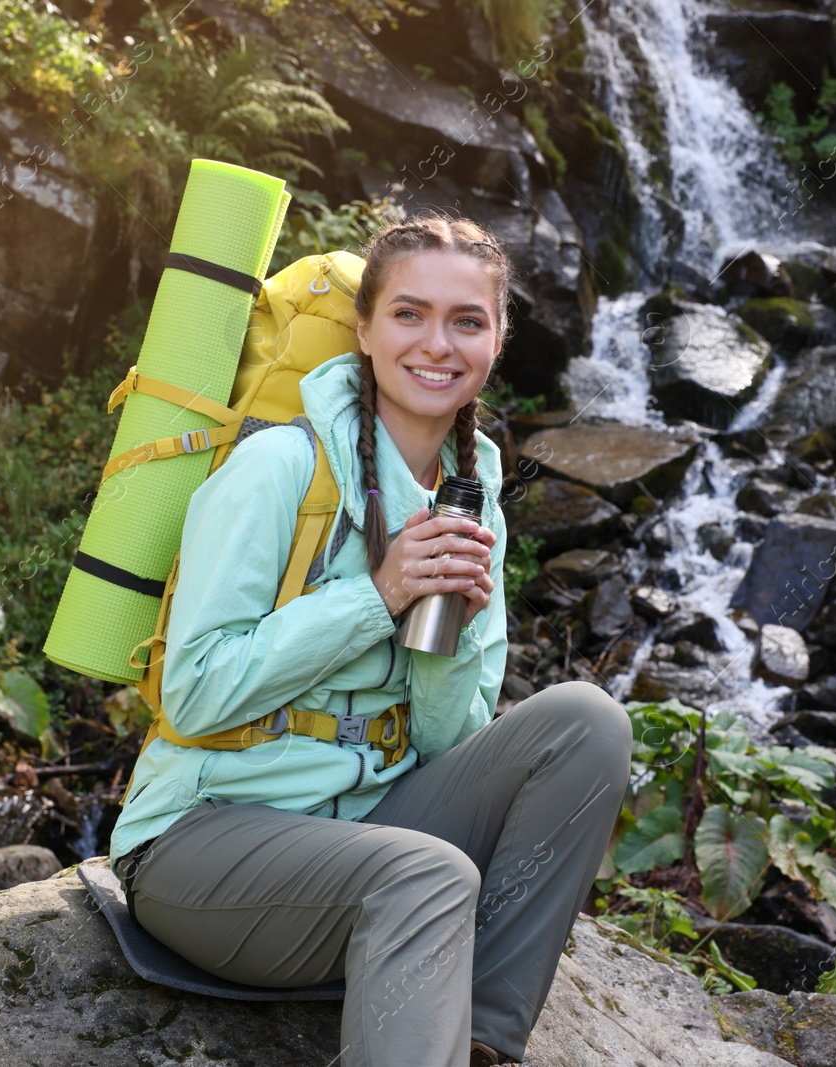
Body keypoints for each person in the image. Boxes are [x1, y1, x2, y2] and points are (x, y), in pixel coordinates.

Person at [107, 212, 633, 1067]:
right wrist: (378, 594)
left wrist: (450, 628)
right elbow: (193, 694)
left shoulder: (472, 497)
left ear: (498, 340)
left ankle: (473, 1043)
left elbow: (443, 743)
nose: (438, 344)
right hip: (204, 842)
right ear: (364, 328)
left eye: (468, 321)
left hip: (373, 827)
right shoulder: (278, 469)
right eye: (408, 314)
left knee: (588, 722)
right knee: (428, 876)